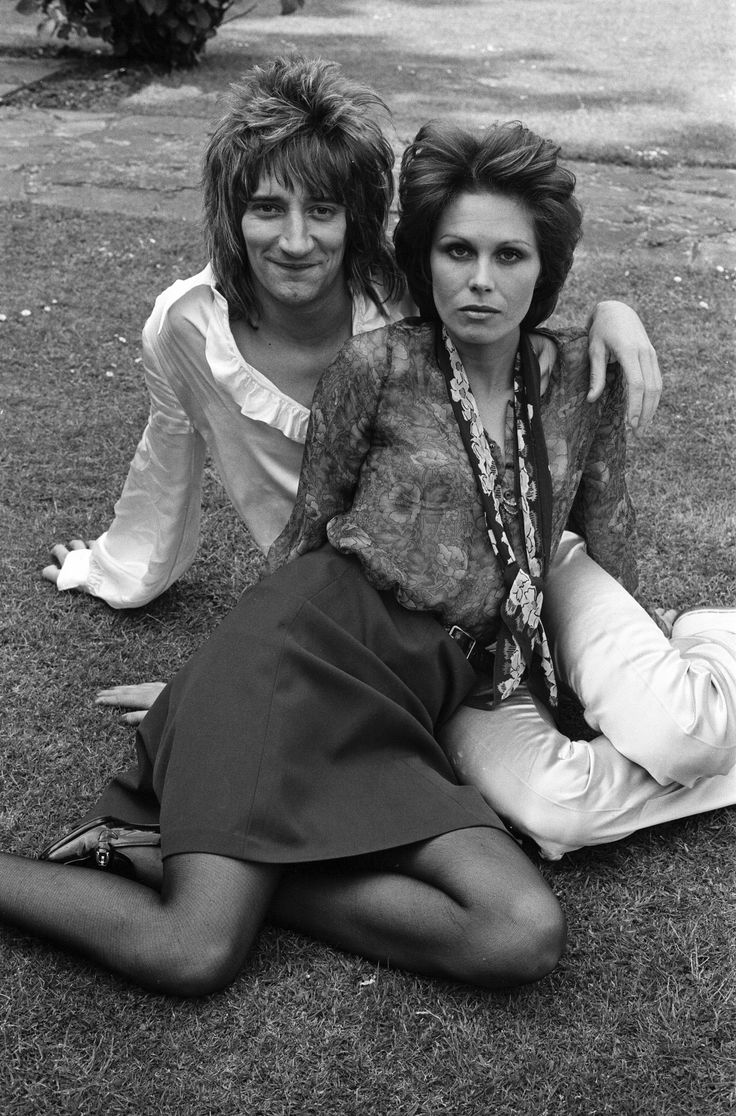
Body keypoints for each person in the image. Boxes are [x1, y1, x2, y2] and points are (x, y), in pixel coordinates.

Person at [7, 116, 724, 1000]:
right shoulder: (375, 363)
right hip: (302, 659)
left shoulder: (578, 375)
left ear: (545, 270)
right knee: (191, 950)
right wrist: (208, 684)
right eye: (457, 252)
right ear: (424, 260)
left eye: (511, 259)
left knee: (518, 934)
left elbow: (604, 538)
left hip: (414, 704)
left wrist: (623, 671)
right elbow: (309, 533)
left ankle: (179, 854)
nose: (482, 279)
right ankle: (182, 861)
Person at [41, 55, 660, 617]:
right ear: (231, 215)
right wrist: (115, 570)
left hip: (472, 572)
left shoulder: (399, 302)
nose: (295, 241)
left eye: (322, 210)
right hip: (337, 601)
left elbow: (496, 316)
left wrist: (610, 312)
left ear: (356, 218)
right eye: (265, 208)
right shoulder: (186, 329)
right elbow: (168, 449)